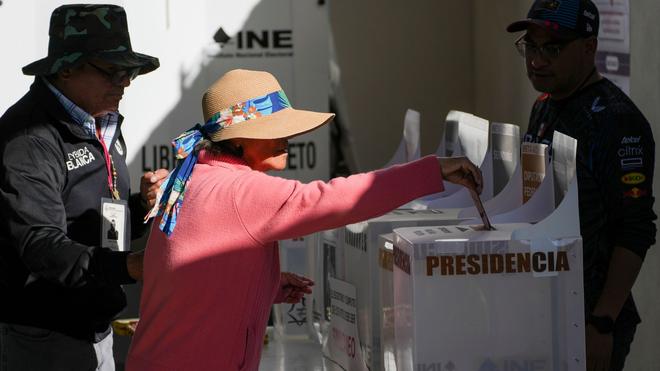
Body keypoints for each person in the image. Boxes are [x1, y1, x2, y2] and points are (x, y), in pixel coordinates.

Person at [125, 69, 483, 371]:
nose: (288, 138)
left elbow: (186, 275)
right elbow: (335, 199)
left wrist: (262, 285)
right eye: (274, 129)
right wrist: (431, 171)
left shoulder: (189, 179)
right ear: (240, 139)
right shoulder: (241, 191)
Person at [0, 4, 169, 371]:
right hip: (47, 339)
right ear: (67, 68)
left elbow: (96, 222)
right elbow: (41, 245)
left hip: (96, 330)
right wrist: (131, 267)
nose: (124, 82)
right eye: (113, 71)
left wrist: (141, 207)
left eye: (130, 73)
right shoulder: (29, 137)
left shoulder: (99, 120)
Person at [507, 1, 656, 370]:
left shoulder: (618, 123)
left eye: (552, 48)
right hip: (542, 308)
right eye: (531, 46)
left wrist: (602, 322)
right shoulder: (544, 106)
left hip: (590, 320)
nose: (537, 60)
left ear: (589, 48)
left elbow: (635, 231)